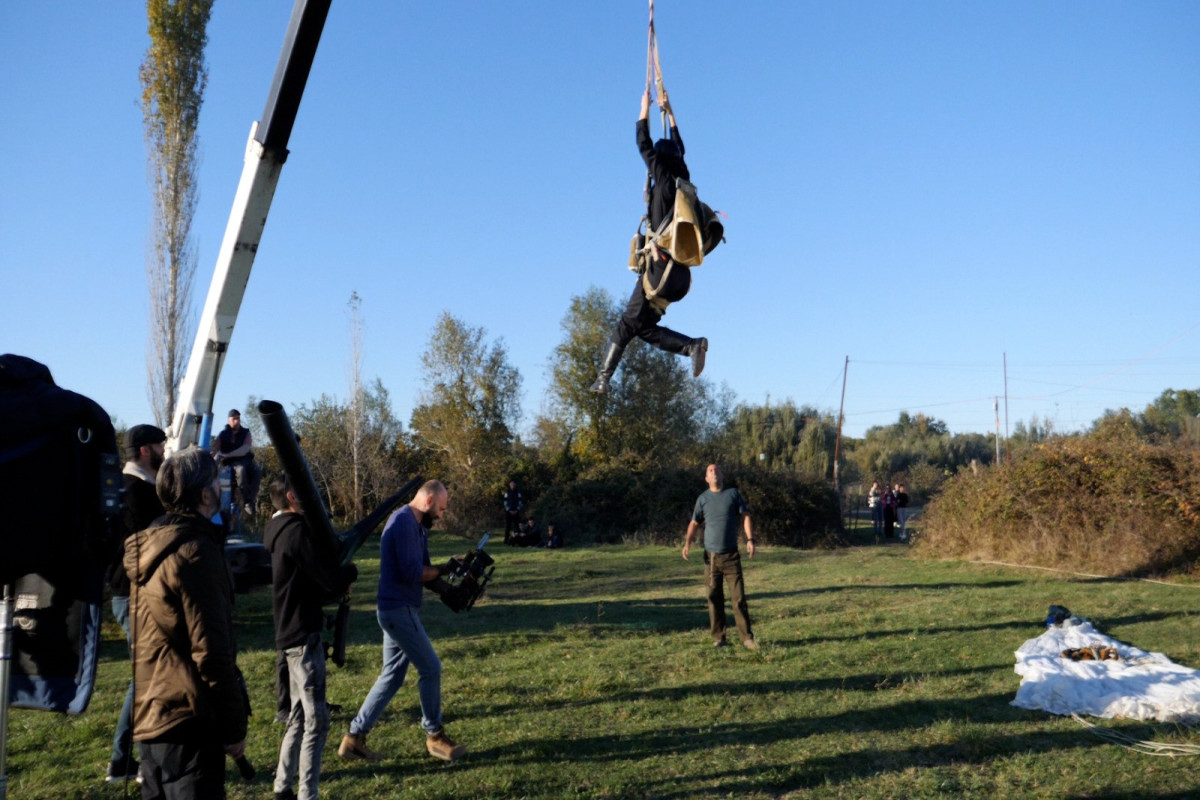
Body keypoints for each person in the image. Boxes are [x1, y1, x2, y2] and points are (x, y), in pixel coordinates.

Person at [124, 447, 248, 799]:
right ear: (205, 494)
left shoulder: (149, 546)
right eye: (216, 481)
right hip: (189, 721)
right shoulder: (194, 552)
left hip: (152, 716)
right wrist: (233, 725)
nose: (222, 487)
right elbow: (210, 651)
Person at [338, 480, 467, 763]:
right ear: (429, 500)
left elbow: (426, 571)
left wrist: (450, 590)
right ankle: (434, 736)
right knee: (431, 667)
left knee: (392, 676)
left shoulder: (418, 526)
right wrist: (445, 568)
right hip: (398, 611)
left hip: (398, 609)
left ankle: (353, 738)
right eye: (442, 509)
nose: (442, 515)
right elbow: (413, 573)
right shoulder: (403, 523)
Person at [590, 89, 707, 394]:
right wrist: (669, 112)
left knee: (627, 325)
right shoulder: (686, 182)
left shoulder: (664, 176)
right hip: (679, 277)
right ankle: (691, 346)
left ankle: (603, 378)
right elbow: (680, 147)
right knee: (643, 328)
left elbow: (643, 143)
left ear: (661, 161)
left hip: (660, 269)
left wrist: (644, 109)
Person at [264, 475, 358, 800]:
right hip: (303, 637)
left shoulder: (275, 531)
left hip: (288, 633)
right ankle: (307, 794)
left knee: (297, 718)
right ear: (292, 495)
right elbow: (329, 577)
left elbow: (308, 579)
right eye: (305, 492)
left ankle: (282, 788)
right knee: (317, 723)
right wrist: (350, 572)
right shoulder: (296, 533)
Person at [104, 424, 167, 784]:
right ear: (145, 450)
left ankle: (129, 758)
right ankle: (123, 759)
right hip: (136, 595)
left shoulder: (119, 488)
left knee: (146, 675)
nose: (164, 451)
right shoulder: (141, 494)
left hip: (126, 593)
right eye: (160, 445)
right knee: (145, 678)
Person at [682, 464, 757, 649]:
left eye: (716, 470)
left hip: (731, 556)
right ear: (706, 478)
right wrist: (687, 543)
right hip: (711, 558)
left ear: (722, 475)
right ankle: (719, 638)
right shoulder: (703, 499)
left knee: (738, 598)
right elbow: (694, 522)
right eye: (709, 471)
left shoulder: (733, 494)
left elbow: (745, 516)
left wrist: (750, 539)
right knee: (714, 598)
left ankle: (747, 638)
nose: (713, 472)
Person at [211, 409, 261, 515]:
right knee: (240, 471)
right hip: (231, 464)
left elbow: (245, 448)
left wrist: (228, 454)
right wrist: (213, 455)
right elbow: (214, 449)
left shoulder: (246, 433)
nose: (237, 421)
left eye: (238, 418)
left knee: (257, 470)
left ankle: (249, 501)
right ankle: (245, 500)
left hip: (245, 460)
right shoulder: (223, 434)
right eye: (234, 419)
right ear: (229, 420)